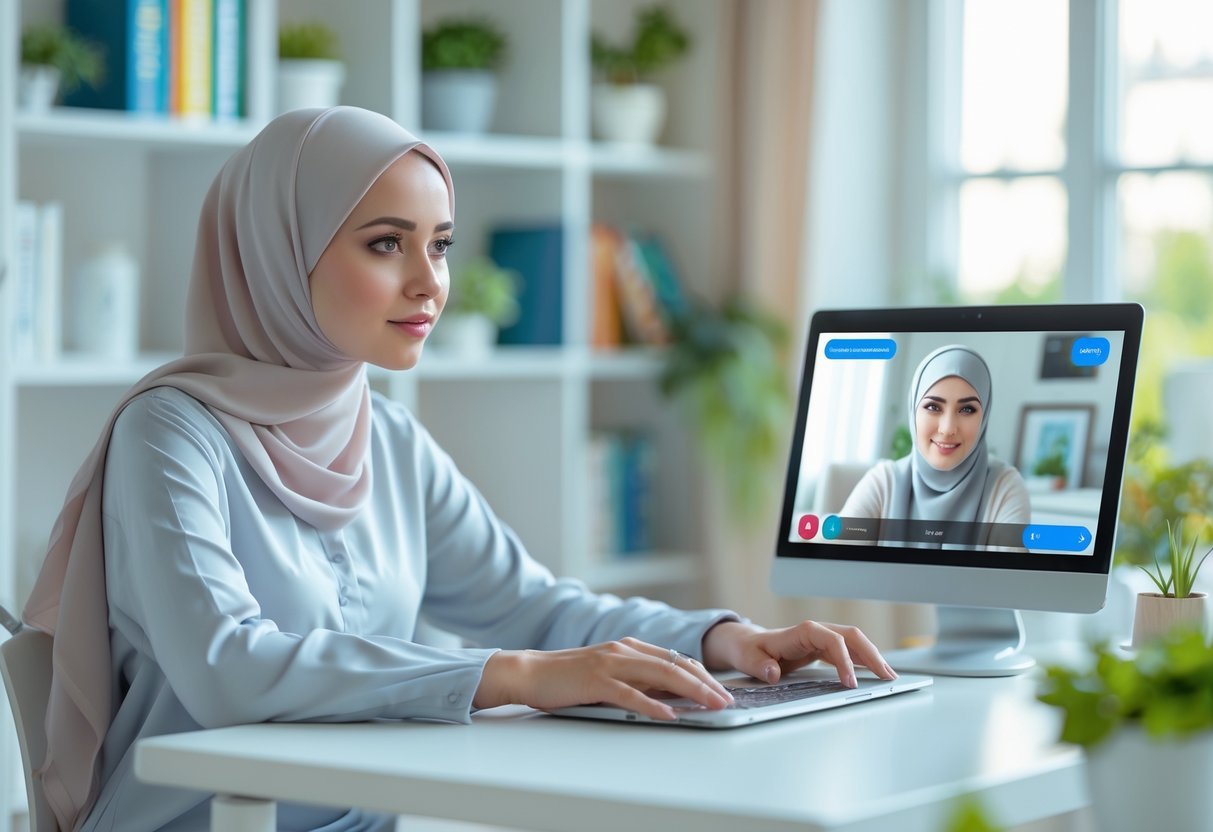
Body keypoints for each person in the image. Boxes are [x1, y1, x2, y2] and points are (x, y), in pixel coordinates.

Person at [23, 106, 896, 832]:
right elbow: (227, 667)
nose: (429, 284)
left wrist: (724, 640)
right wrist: (510, 677)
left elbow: (533, 605)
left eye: (438, 244)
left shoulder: (389, 439)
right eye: (383, 244)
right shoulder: (170, 434)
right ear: (278, 254)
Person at [841, 344, 1031, 535]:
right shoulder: (884, 483)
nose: (947, 428)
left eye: (967, 409)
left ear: (984, 416)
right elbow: (836, 555)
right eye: (933, 407)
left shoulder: (1004, 487)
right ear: (914, 409)